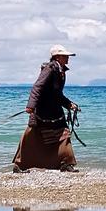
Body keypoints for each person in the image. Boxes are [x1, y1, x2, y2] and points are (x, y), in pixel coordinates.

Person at [13, 44, 80, 173]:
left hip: (55, 112)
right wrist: (31, 106)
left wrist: (70, 105)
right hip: (41, 112)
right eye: (65, 56)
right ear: (58, 57)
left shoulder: (61, 71)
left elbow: (56, 94)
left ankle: (66, 163)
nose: (68, 58)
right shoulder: (49, 69)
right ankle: (19, 165)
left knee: (64, 134)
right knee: (31, 137)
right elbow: (37, 87)